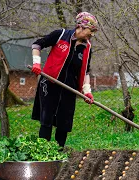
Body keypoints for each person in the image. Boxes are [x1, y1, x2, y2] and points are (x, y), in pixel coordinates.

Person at [31, 12, 98, 147]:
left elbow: (85, 71)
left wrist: (87, 91)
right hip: (50, 83)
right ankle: (42, 151)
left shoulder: (87, 48)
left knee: (64, 123)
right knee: (47, 119)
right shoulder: (61, 35)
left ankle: (59, 153)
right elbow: (37, 45)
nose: (91, 35)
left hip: (69, 89)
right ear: (81, 27)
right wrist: (37, 63)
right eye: (90, 31)